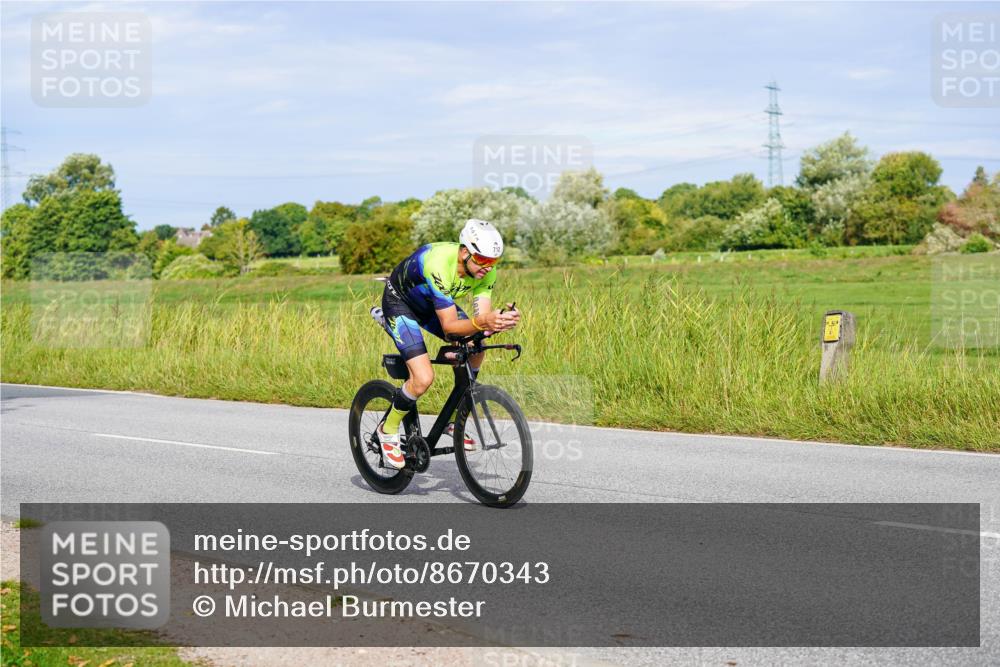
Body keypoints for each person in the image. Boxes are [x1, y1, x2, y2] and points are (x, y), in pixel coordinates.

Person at [374, 219, 520, 469]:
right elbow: (451, 327)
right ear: (465, 252)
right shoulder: (439, 263)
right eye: (483, 260)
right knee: (422, 378)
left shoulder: (486, 272)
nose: (488, 267)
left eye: (494, 262)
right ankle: (387, 429)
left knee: (475, 349)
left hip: (431, 306)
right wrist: (484, 321)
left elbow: (479, 318)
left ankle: (453, 420)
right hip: (401, 304)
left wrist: (495, 323)